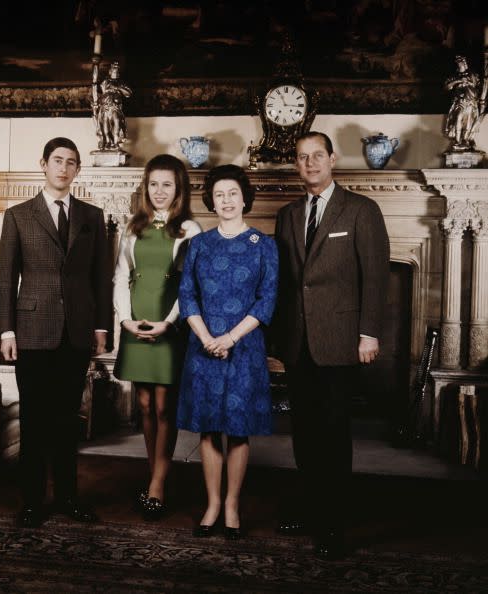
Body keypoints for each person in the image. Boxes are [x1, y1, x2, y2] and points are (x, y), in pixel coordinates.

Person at [273, 131, 389, 560]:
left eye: (317, 155)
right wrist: (275, 340)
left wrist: (369, 333)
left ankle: (334, 524)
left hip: (341, 342)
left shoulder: (361, 210)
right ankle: (311, 506)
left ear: (332, 159)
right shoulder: (287, 215)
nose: (310, 164)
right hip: (298, 343)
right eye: (302, 158)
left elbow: (375, 277)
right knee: (304, 434)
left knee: (334, 434)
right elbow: (285, 283)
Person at [0, 137, 110, 528]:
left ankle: (67, 498)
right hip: (30, 330)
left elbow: (102, 277)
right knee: (33, 420)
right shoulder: (17, 216)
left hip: (76, 332)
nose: (64, 168)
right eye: (57, 161)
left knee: (67, 420)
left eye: (71, 163)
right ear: (43, 164)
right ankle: (31, 501)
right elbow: (6, 278)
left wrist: (100, 327)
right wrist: (6, 331)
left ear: (78, 170)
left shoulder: (92, 217)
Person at [177, 165, 278, 539]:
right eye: (219, 194)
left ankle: (233, 504)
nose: (226, 201)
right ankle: (213, 503)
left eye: (233, 193)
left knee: (238, 430)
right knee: (208, 429)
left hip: (244, 347)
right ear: (211, 200)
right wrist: (206, 337)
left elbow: (267, 300)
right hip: (203, 347)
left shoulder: (264, 245)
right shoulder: (199, 244)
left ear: (244, 197)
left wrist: (231, 338)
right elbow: (187, 295)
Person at [113, 154, 201, 519]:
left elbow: (190, 285)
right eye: (154, 184)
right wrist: (125, 319)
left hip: (170, 324)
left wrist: (168, 322)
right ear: (145, 188)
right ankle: (156, 474)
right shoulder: (132, 228)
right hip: (136, 321)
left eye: (167, 184)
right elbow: (121, 276)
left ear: (178, 189)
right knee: (145, 406)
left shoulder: (190, 230)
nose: (160, 191)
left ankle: (158, 486)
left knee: (165, 406)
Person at [92, 60, 132, 151]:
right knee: (105, 127)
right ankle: (107, 142)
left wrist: (117, 88)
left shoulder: (120, 83)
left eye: (117, 71)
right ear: (110, 72)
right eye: (114, 71)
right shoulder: (105, 82)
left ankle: (115, 142)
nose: (115, 73)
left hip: (115, 107)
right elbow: (99, 93)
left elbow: (128, 93)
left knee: (117, 121)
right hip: (105, 107)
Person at [444, 55, 481, 151]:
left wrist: (468, 82)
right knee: (458, 118)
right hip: (459, 102)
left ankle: (465, 140)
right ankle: (457, 140)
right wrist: (458, 81)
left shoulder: (472, 74)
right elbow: (447, 87)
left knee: (468, 121)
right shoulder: (454, 76)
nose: (462, 65)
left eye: (462, 62)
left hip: (470, 102)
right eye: (459, 63)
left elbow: (477, 86)